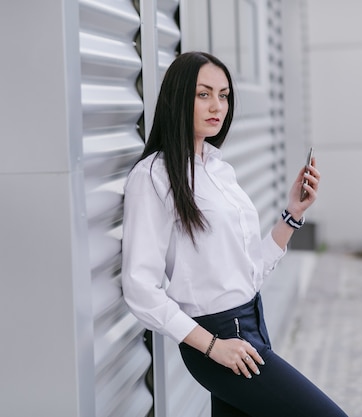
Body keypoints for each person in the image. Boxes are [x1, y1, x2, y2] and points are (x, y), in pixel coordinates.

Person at [121, 51, 348, 417]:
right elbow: (139, 288)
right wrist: (213, 347)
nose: (217, 106)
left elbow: (246, 272)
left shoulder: (218, 168)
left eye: (224, 95)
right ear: (178, 97)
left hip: (251, 323)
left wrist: (292, 216)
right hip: (218, 337)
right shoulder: (153, 177)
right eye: (204, 94)